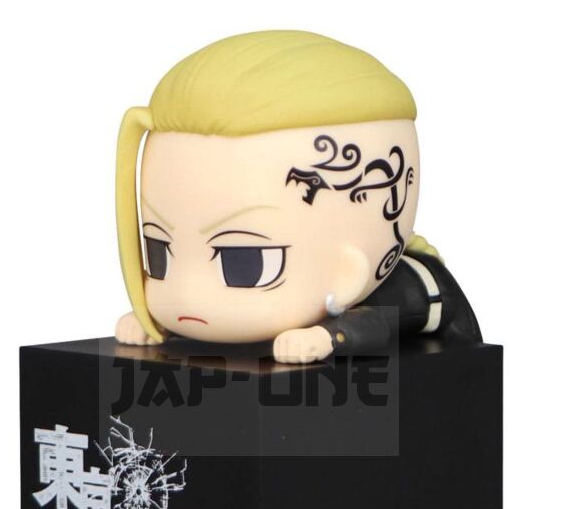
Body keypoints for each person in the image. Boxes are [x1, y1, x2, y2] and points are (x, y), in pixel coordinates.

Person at [115, 30, 481, 363]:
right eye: (158, 254)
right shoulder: (206, 312)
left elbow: (373, 325)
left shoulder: (411, 287)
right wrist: (156, 323)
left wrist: (327, 336)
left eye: (246, 263)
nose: (187, 294)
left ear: (347, 271)